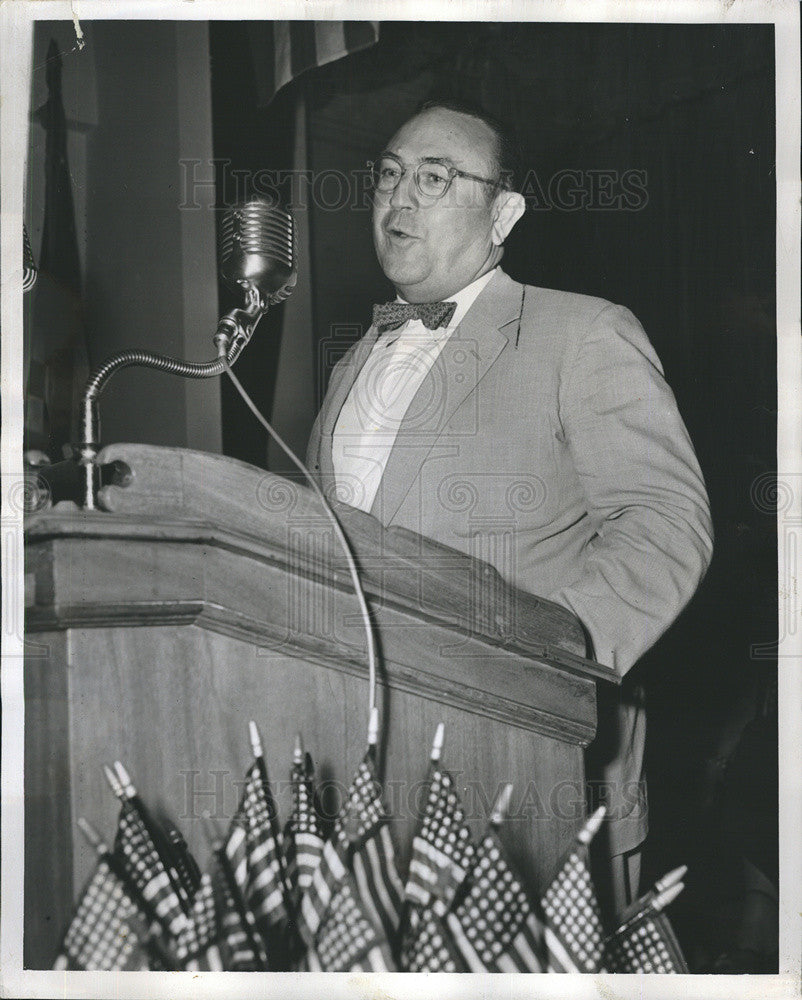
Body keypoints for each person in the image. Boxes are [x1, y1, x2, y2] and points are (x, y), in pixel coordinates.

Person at [306, 97, 713, 913]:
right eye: (389, 175)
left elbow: (666, 525)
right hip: (361, 762)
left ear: (505, 213)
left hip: (532, 775)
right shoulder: (353, 361)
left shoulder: (582, 333)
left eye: (435, 177)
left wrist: (541, 663)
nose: (400, 197)